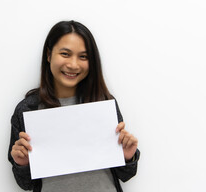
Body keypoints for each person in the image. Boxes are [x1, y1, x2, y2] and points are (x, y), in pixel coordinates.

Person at [8, 20, 140, 192]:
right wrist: (22, 163)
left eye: (83, 56)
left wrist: (127, 156)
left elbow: (126, 174)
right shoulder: (28, 109)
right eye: (65, 54)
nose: (73, 65)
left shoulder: (104, 103)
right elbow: (25, 184)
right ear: (48, 55)